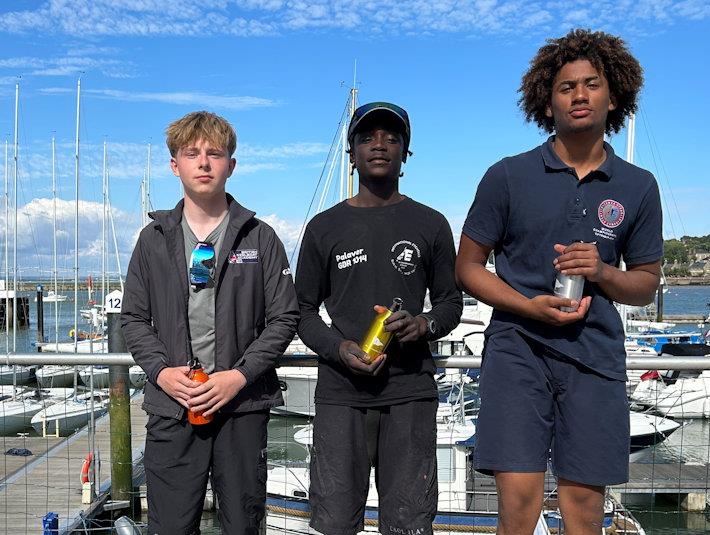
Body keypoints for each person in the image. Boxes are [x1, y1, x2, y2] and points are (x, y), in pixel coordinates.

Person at [456, 30, 663, 535]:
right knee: (519, 503)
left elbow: (645, 285)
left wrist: (601, 272)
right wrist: (530, 308)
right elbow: (467, 267)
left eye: (591, 84)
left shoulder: (638, 186)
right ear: (546, 105)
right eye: (566, 87)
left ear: (613, 98)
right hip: (517, 348)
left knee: (586, 508)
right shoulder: (507, 176)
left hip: (595, 355)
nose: (579, 95)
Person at [121, 110, 299, 534]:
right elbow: (133, 318)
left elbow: (284, 316)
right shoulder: (153, 239)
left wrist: (238, 376)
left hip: (241, 407)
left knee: (243, 523)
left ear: (231, 165)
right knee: (170, 525)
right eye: (191, 153)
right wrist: (162, 373)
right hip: (172, 407)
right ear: (174, 165)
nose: (203, 163)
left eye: (215, 154)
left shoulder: (260, 237)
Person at [295, 102, 463, 535]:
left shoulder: (431, 224)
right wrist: (338, 347)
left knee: (408, 523)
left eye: (392, 137)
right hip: (340, 394)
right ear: (351, 152)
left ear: (406, 152)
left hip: (410, 392)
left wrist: (423, 325)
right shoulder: (323, 228)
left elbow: (450, 303)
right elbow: (302, 312)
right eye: (367, 137)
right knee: (333, 523)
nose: (380, 145)